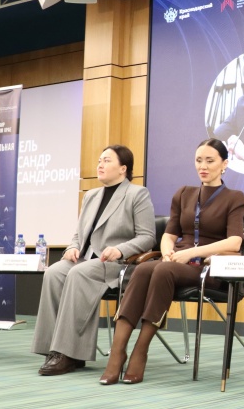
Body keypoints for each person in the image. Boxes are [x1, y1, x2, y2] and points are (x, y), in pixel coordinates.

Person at [98, 138, 244, 385]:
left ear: (224, 164)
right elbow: (169, 235)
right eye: (198, 160)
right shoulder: (184, 194)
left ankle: (140, 351)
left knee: (163, 271)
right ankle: (117, 353)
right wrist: (168, 252)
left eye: (210, 161)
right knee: (143, 270)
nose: (203, 166)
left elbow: (234, 242)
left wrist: (191, 253)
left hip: (208, 268)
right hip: (176, 261)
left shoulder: (235, 197)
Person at [32, 145, 156, 375]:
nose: (100, 165)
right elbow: (79, 234)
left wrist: (120, 250)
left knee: (78, 274)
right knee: (53, 273)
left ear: (123, 168)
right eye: (99, 160)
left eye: (107, 160)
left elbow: (147, 237)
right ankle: (51, 348)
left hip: (118, 264)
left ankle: (69, 353)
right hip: (86, 259)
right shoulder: (91, 196)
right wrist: (72, 247)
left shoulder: (137, 194)